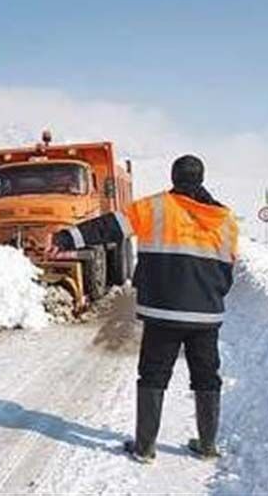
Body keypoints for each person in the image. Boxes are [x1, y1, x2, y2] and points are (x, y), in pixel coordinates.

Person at [46, 155, 238, 464]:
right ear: (201, 178)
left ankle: (145, 448)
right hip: (207, 315)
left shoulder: (156, 207)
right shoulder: (225, 219)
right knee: (207, 377)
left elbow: (109, 227)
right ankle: (206, 446)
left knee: (153, 376)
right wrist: (211, 296)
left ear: (174, 177)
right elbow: (228, 269)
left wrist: (67, 236)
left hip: (163, 312)